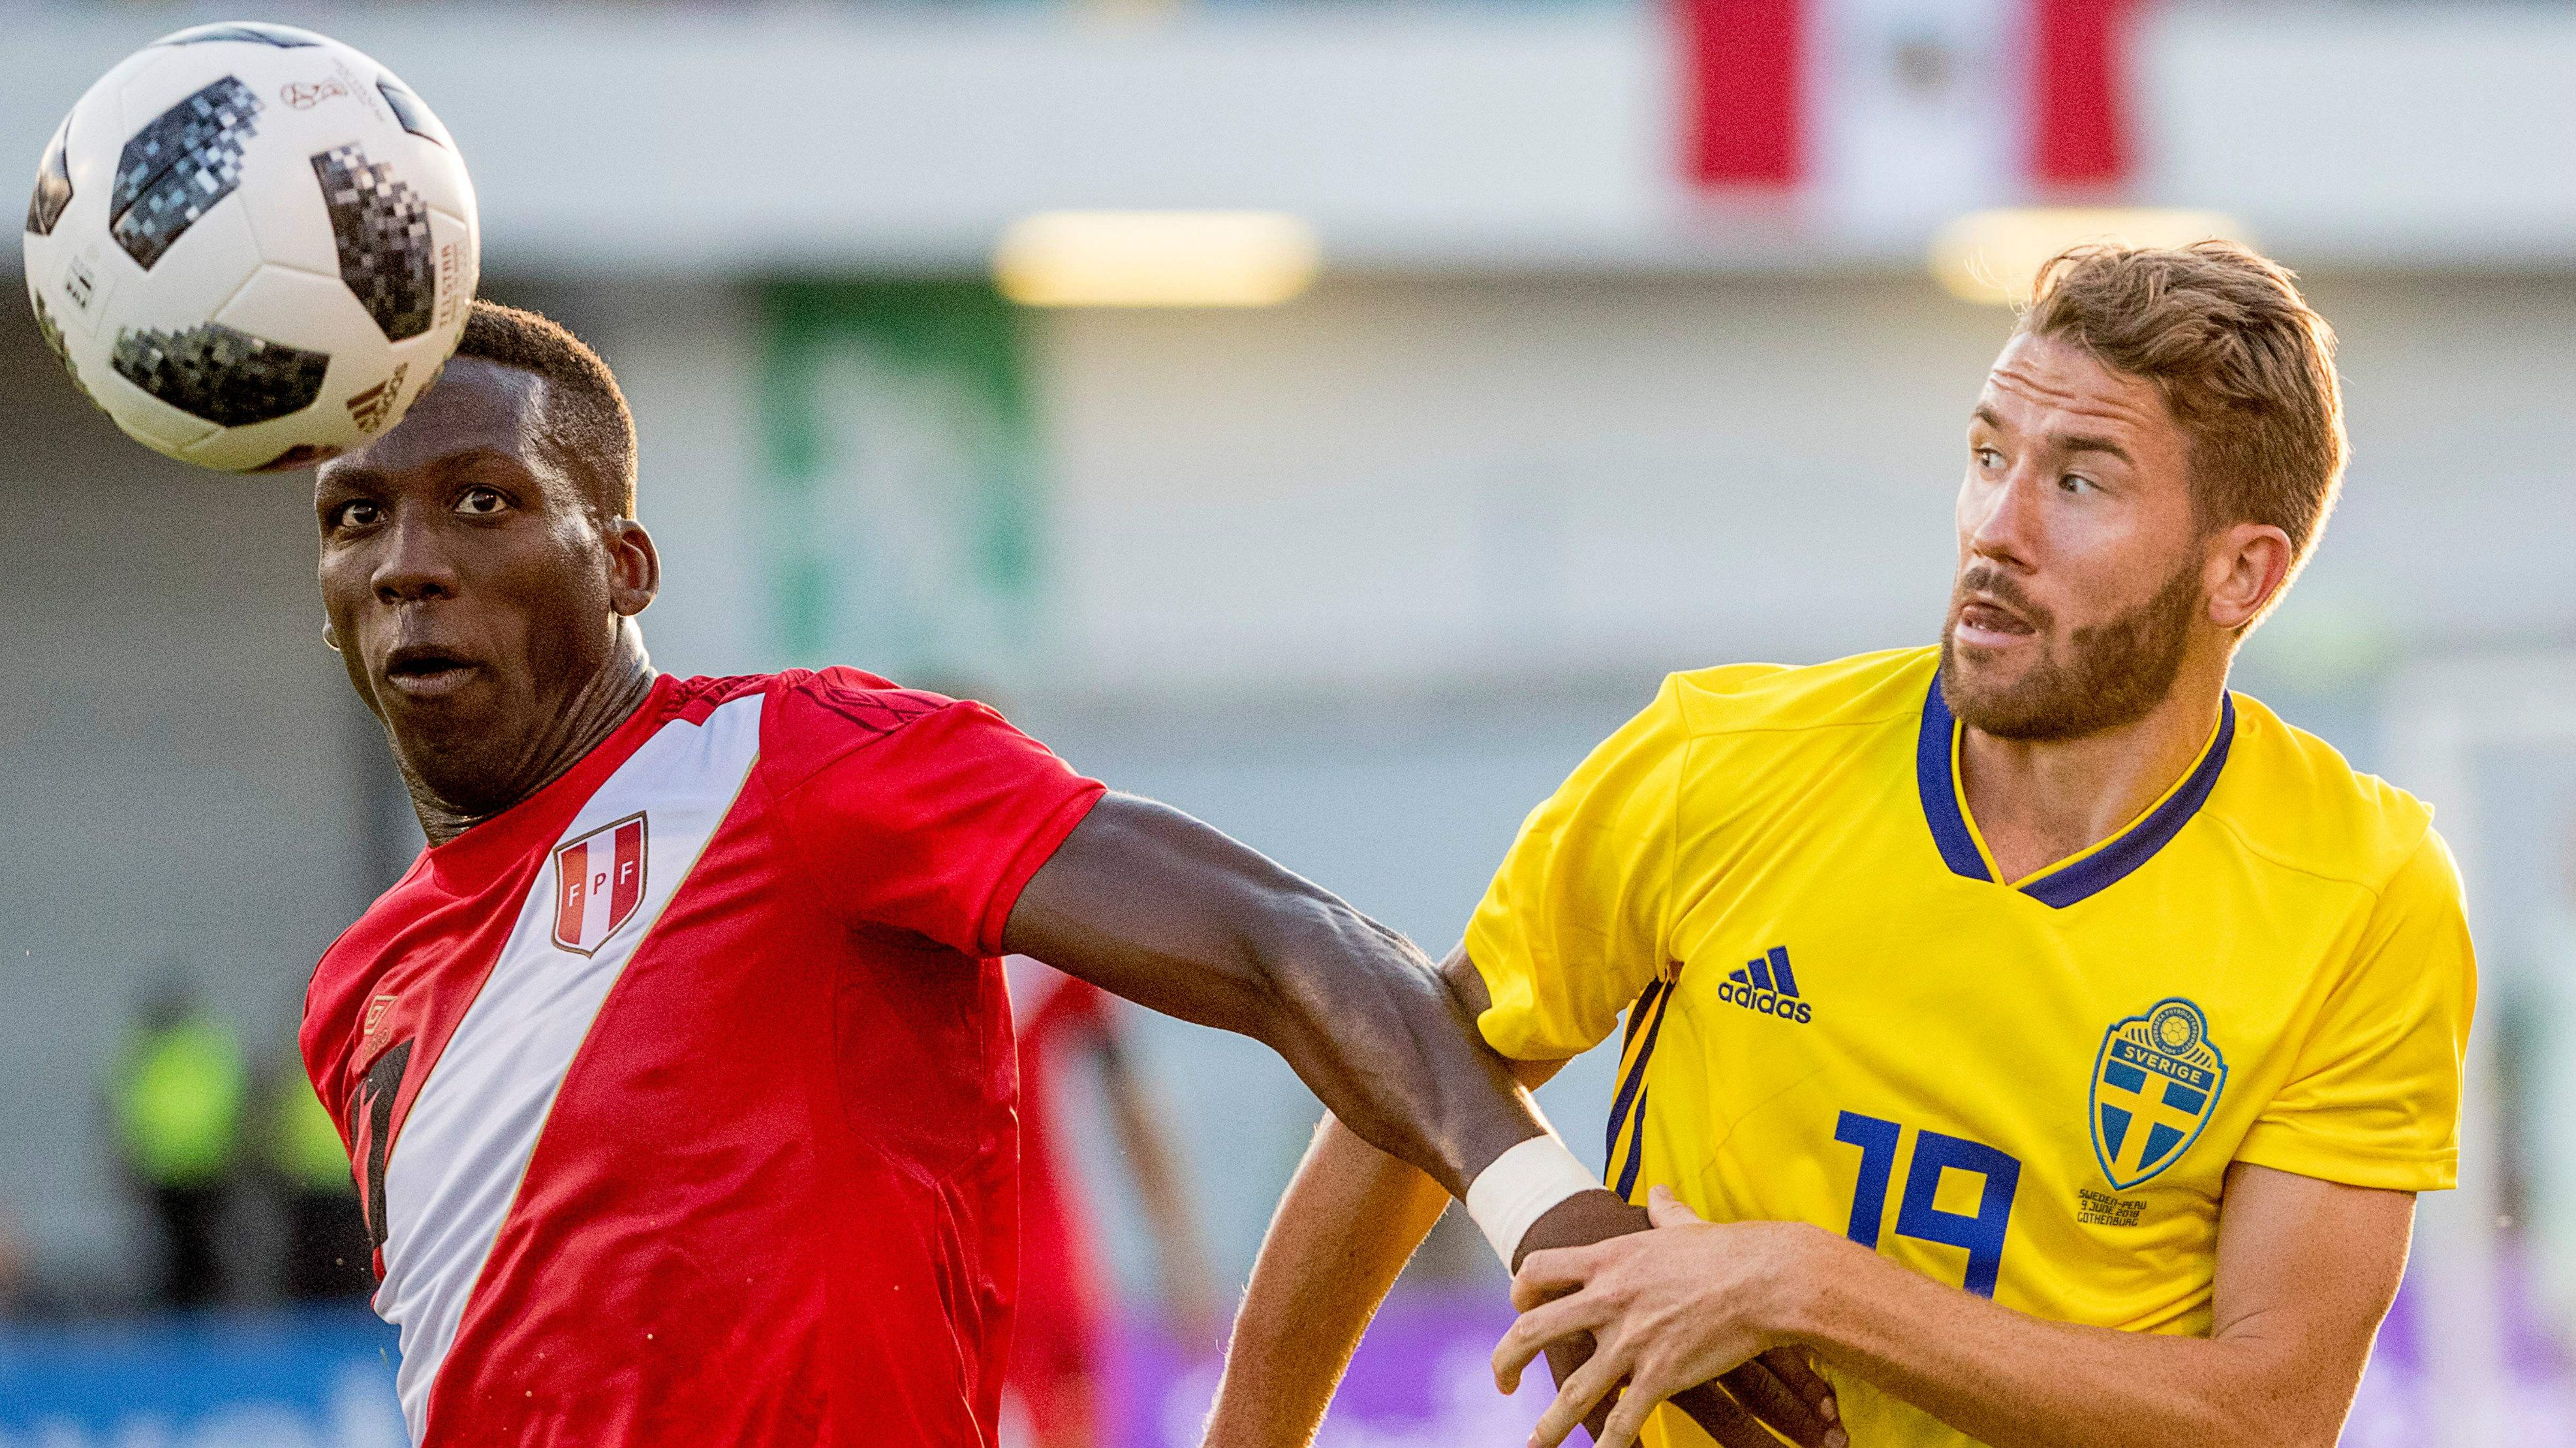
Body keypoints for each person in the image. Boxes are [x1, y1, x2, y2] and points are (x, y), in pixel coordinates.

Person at [298, 302, 1830, 1447]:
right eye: (355, 514)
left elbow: (1291, 943)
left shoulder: (789, 770)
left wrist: (1540, 1208)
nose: (405, 560)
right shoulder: (355, 992)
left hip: (1054, 1333)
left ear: (625, 562)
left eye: (482, 499)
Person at [1205, 243, 2476, 1448]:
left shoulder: (2362, 891)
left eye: (2077, 478)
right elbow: (1414, 1077)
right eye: (1987, 454)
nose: (1995, 526)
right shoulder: (1718, 758)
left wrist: (1806, 1283)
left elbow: (2265, 1411)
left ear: (2238, 575)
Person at [1004, 958, 1217, 1448]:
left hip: (1031, 1261)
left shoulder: (1046, 950)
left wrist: (1181, 1253)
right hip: (958, 1258)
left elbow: (1128, 1099)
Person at [109, 982, 246, 1310]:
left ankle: (186, 1323)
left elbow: (129, 1113)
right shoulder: (207, 1048)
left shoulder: (147, 1054)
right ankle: (195, 1321)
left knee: (182, 1255)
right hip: (196, 1168)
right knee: (193, 1254)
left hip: (179, 1170)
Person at [258, 1048, 375, 1300]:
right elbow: (282, 1132)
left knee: (349, 1261)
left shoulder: (352, 1079)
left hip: (345, 1190)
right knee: (310, 1262)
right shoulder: (301, 1083)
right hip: (310, 1190)